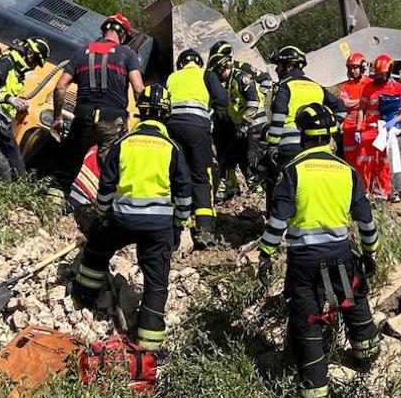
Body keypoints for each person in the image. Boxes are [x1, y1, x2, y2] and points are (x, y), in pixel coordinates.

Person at [258, 103, 381, 398]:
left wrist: (266, 255)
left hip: (305, 263)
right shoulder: (346, 171)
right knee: (352, 301)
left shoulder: (293, 172)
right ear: (330, 137)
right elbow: (366, 222)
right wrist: (370, 255)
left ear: (302, 137)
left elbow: (278, 221)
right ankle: (367, 356)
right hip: (340, 257)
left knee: (309, 323)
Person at [72, 85, 192, 352]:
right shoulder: (171, 147)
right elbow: (184, 193)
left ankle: (83, 297)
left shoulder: (123, 143)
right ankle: (148, 346)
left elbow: (107, 185)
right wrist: (179, 225)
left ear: (141, 112)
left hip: (122, 220)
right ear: (165, 114)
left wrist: (102, 216)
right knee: (156, 282)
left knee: (96, 250)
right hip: (158, 226)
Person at [50, 14, 144, 186]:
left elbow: (60, 87)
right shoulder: (127, 54)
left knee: (67, 167)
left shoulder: (81, 52)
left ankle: (51, 204)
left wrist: (58, 118)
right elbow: (138, 89)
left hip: (83, 119)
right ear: (123, 35)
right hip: (112, 121)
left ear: (104, 30)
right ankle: (107, 210)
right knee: (112, 171)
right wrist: (146, 120)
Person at [264, 46, 346, 201]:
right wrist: (329, 131)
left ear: (288, 66)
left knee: (281, 188)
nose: (276, 70)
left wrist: (272, 147)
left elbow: (278, 117)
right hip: (318, 146)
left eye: (279, 66)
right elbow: (341, 109)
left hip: (289, 148)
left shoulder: (285, 86)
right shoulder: (316, 86)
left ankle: (279, 221)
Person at [165, 48, 226, 247]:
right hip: (198, 128)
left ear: (180, 64)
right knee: (201, 176)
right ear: (199, 63)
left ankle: (176, 226)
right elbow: (223, 99)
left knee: (178, 174)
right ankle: (204, 230)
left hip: (173, 127)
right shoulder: (205, 74)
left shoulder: (172, 77)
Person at [0, 37, 50, 180]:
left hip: (0, 130)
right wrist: (10, 99)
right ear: (30, 55)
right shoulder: (5, 63)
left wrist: (18, 106)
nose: (34, 67)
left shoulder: (18, 75)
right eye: (36, 63)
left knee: (19, 173)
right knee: (3, 175)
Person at [209, 45, 266, 201]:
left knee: (252, 158)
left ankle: (260, 191)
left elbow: (253, 102)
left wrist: (245, 123)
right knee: (240, 158)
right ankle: (247, 190)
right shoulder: (228, 82)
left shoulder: (241, 78)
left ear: (221, 68)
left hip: (254, 126)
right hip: (241, 127)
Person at [356, 54, 401, 199]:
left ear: (389, 72)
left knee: (384, 162)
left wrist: (394, 121)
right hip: (369, 129)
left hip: (386, 130)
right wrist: (358, 128)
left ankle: (384, 192)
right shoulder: (368, 87)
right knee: (363, 160)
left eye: (382, 74)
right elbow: (361, 109)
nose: (379, 77)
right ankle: (363, 192)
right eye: (377, 74)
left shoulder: (398, 88)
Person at [339, 52, 369, 173]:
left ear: (362, 68)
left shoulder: (370, 84)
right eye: (350, 68)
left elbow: (372, 103)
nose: (352, 71)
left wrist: (354, 102)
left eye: (355, 67)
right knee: (350, 160)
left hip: (365, 124)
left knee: (365, 159)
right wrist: (363, 100)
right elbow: (344, 104)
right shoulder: (346, 86)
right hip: (349, 126)